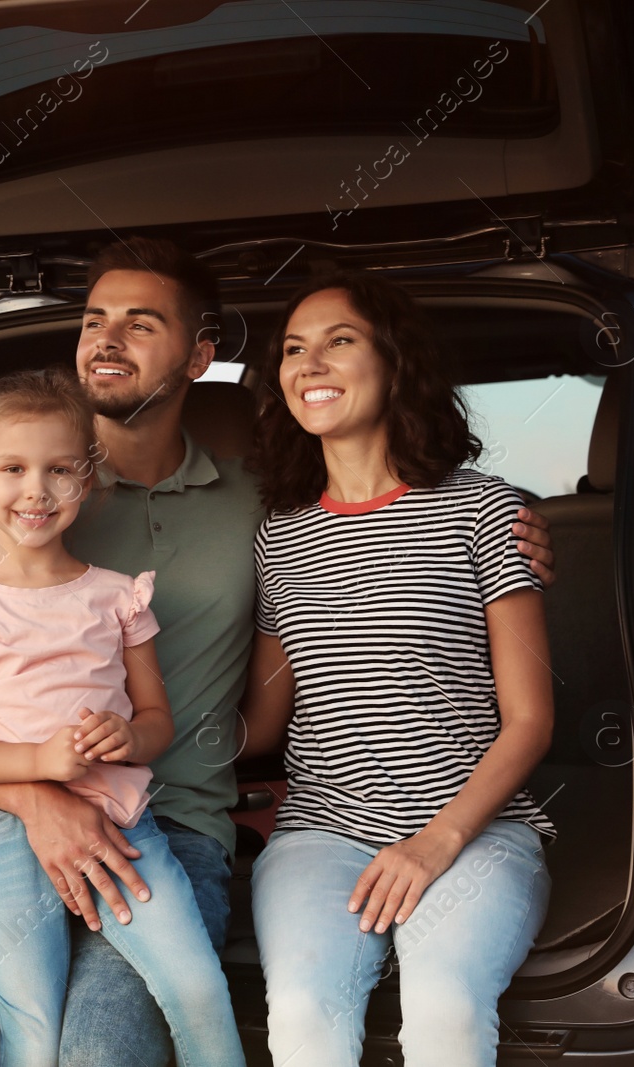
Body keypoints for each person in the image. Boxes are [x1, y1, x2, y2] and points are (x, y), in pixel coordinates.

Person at [0, 237, 558, 1067]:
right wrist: (36, 797)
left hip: (168, 827)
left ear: (202, 355)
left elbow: (363, 569)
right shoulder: (24, 489)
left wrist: (516, 536)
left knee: (103, 1054)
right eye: (95, 320)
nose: (106, 339)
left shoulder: (259, 507)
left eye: (139, 324)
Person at [238, 270, 556, 1067]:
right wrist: (140, 729)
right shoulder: (278, 537)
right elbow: (265, 722)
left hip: (476, 828)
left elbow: (531, 720)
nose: (311, 363)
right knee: (308, 1011)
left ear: (394, 362)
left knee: (445, 1003)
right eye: (293, 350)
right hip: (323, 827)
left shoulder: (482, 508)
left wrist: (434, 843)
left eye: (339, 341)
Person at [0, 367, 245, 1067]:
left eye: (60, 469)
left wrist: (130, 735)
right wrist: (38, 766)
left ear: (87, 482)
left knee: (195, 986)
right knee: (28, 1023)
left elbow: (156, 719)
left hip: (125, 821)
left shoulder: (119, 597)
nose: (36, 489)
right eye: (14, 468)